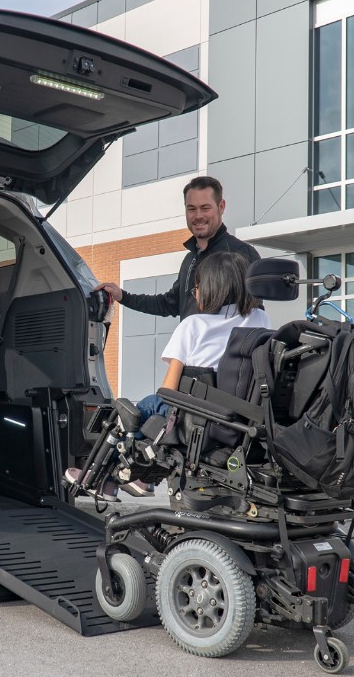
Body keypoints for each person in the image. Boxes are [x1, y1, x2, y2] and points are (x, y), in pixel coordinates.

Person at [67, 252, 270, 500]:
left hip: (198, 422)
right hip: (239, 421)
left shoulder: (193, 326)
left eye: (197, 286)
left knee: (139, 408)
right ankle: (141, 481)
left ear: (211, 288)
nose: (195, 292)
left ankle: (103, 478)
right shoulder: (260, 320)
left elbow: (169, 389)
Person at [93, 175, 260, 320]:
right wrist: (123, 296)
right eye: (191, 209)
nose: (198, 216)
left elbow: (253, 313)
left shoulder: (241, 254)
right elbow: (169, 304)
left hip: (227, 356)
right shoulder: (190, 260)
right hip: (191, 356)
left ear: (221, 207)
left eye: (205, 208)